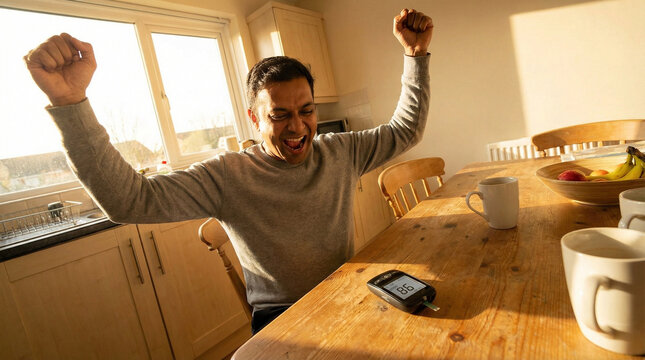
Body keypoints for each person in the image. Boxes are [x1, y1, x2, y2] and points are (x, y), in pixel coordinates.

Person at [24, 8, 433, 334]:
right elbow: (129, 200)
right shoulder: (226, 176)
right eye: (279, 115)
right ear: (255, 120)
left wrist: (414, 57)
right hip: (282, 318)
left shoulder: (340, 152)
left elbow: (405, 129)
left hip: (348, 294)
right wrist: (70, 102)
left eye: (306, 111)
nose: (297, 126)